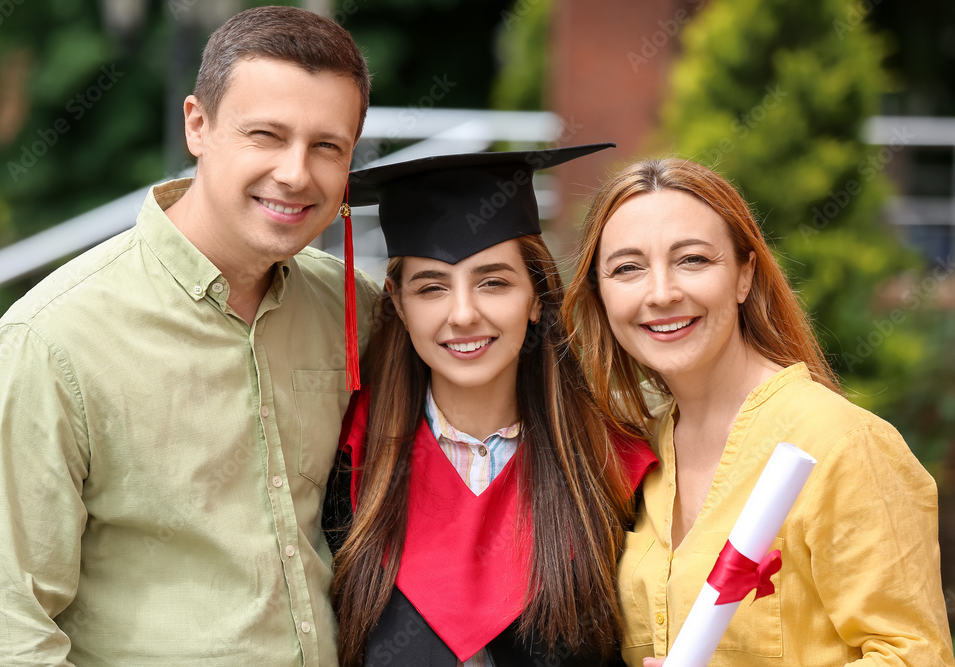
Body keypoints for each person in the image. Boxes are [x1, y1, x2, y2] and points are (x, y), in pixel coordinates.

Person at [0, 6, 379, 665]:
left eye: (328, 146)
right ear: (197, 125)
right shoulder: (49, 341)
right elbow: (0, 635)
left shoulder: (354, 308)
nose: (297, 173)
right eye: (266, 135)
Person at [562, 157, 955, 666]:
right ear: (600, 293)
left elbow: (916, 657)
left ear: (745, 275)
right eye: (628, 269)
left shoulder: (840, 444)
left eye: (693, 260)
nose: (661, 293)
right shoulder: (637, 452)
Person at [326, 145, 659, 666]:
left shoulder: (613, 469)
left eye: (493, 282)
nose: (463, 314)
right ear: (398, 303)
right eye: (431, 287)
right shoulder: (350, 469)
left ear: (536, 296)